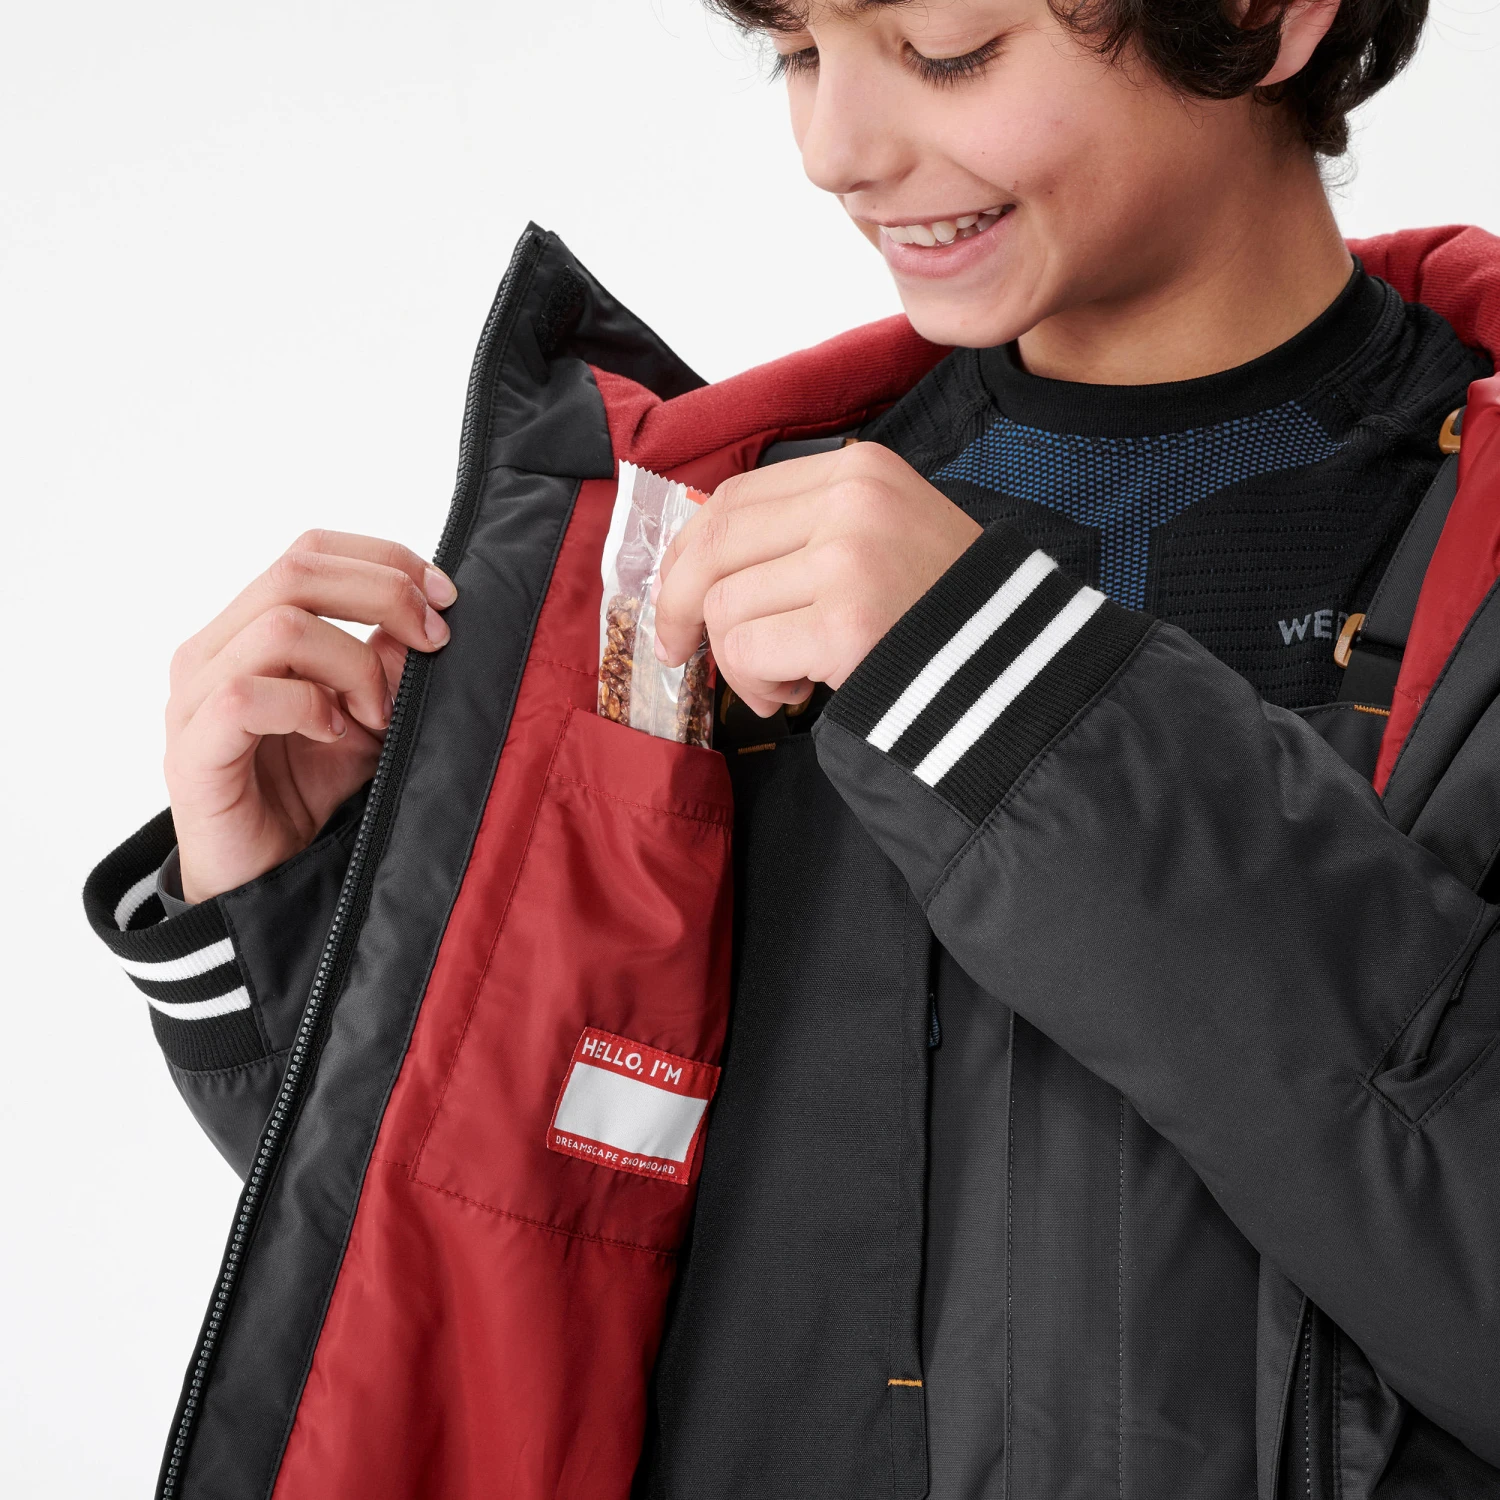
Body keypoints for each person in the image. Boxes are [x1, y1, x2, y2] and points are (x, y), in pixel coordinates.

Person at [84, 1, 1500, 1496]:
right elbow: (543, 1265)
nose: (836, 149)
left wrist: (1001, 694)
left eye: (946, 49)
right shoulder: (689, 561)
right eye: (800, 52)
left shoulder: (1462, 566)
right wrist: (305, 936)